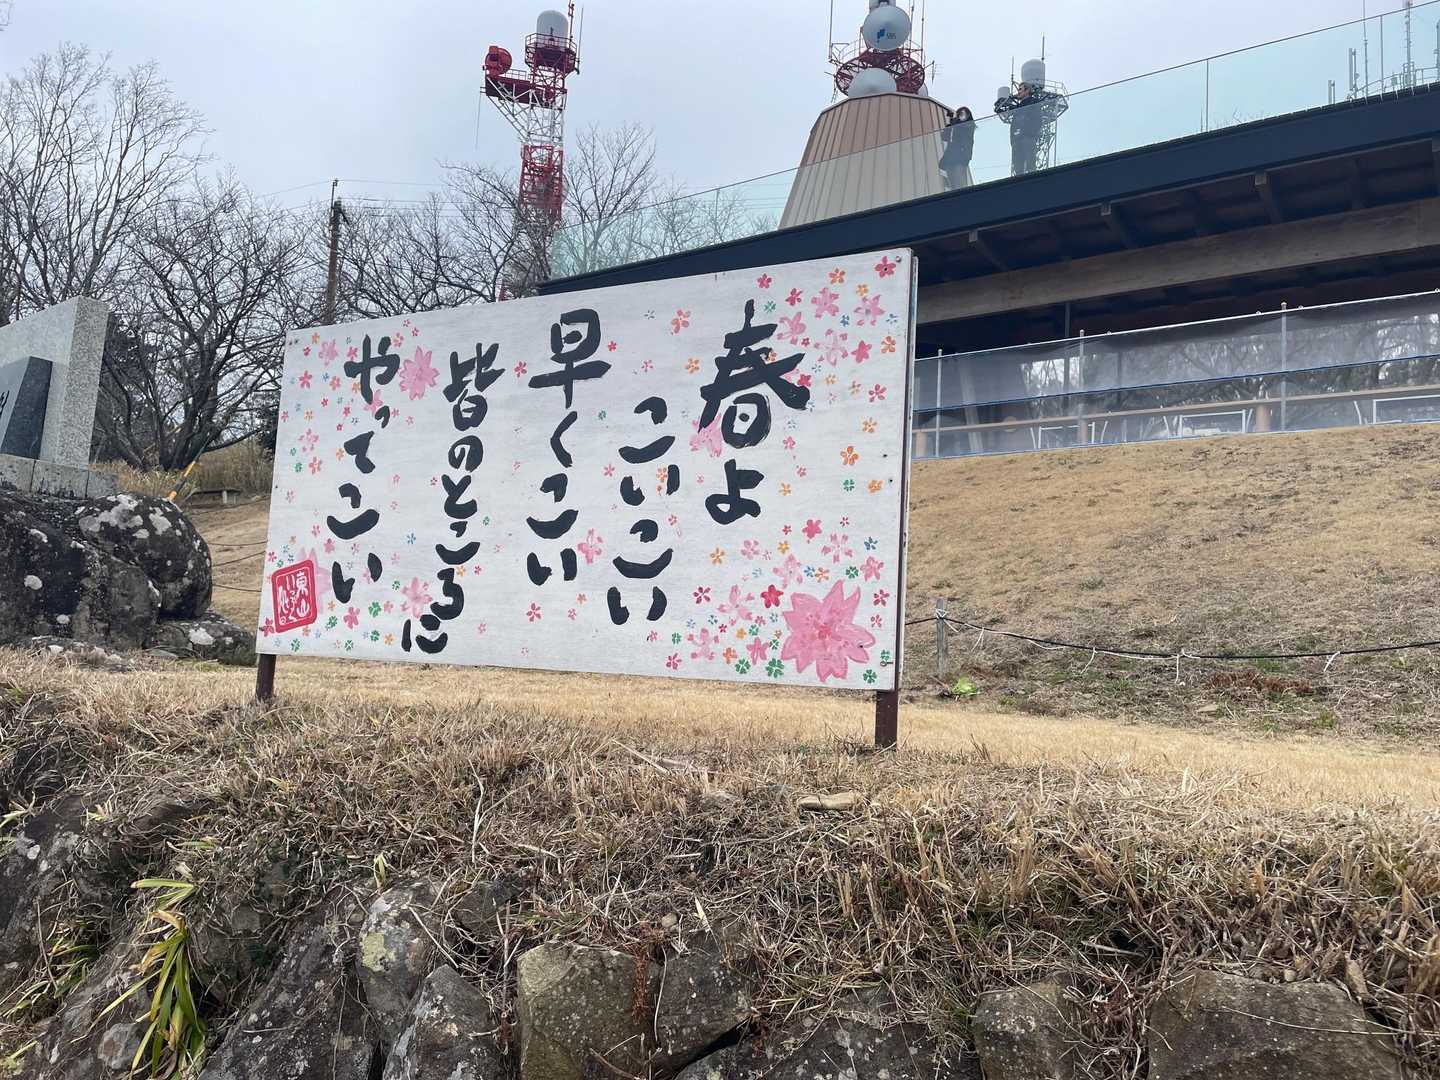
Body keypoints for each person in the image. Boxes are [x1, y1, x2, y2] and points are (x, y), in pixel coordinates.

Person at [940, 106, 975, 191]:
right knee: (952, 182)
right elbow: (944, 137)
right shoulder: (955, 126)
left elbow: (965, 135)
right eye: (959, 114)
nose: (960, 116)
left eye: (962, 114)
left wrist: (954, 123)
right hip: (950, 156)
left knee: (959, 182)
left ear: (968, 115)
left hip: (961, 156)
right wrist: (949, 126)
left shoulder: (969, 126)